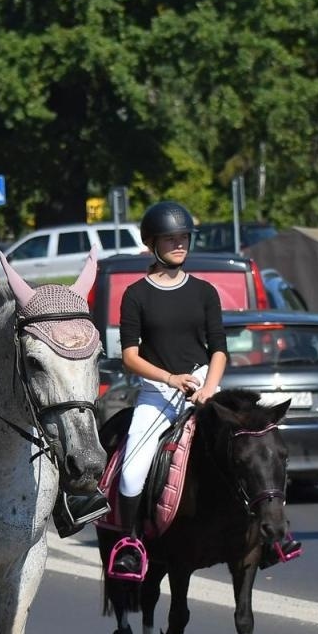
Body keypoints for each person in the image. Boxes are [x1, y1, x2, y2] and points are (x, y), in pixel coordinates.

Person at [105, 200, 228, 581]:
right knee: (131, 472)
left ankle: (269, 533)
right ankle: (131, 543)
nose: (179, 245)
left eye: (184, 238)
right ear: (152, 243)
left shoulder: (205, 292)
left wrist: (208, 388)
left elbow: (219, 348)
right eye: (171, 239)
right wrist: (170, 379)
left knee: (250, 446)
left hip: (205, 390)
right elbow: (129, 356)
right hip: (158, 396)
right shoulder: (136, 295)